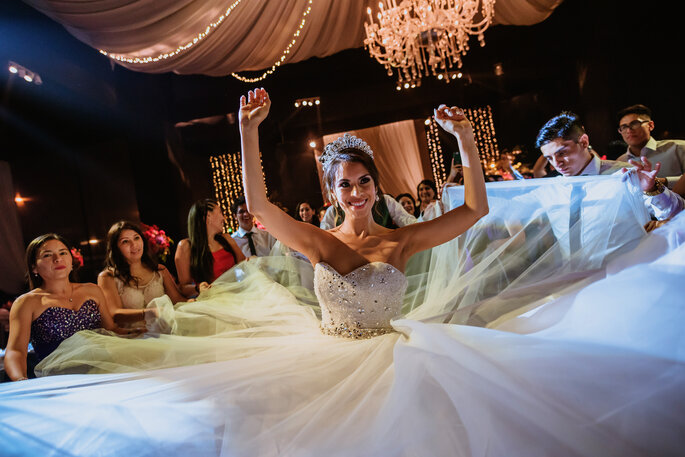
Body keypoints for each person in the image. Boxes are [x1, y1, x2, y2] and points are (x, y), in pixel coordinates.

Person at [3, 93, 685, 456]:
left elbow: (475, 207)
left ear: (371, 182)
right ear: (332, 189)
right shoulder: (318, 241)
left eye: (363, 179)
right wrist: (246, 130)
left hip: (401, 356)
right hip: (327, 363)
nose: (356, 189)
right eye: (345, 181)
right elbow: (262, 204)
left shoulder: (400, 238)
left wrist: (466, 143)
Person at [3, 234, 130, 381]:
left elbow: (111, 330)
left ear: (71, 260)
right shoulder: (26, 303)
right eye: (47, 255)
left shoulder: (92, 290)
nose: (58, 259)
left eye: (63, 252)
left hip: (106, 369)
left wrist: (140, 333)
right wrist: (20, 380)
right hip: (60, 378)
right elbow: (15, 351)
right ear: (34, 268)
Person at [535, 111, 683, 221]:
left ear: (584, 142)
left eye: (562, 153)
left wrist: (653, 190)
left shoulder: (622, 174)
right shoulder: (554, 187)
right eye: (549, 158)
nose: (556, 163)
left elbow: (674, 214)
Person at [98, 221, 185, 327]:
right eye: (125, 242)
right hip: (132, 336)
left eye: (136, 238)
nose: (134, 245)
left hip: (165, 329)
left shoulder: (160, 270)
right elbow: (114, 313)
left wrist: (198, 297)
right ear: (116, 248)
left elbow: (178, 301)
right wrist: (149, 313)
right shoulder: (107, 276)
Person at [175, 198, 245, 297]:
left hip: (236, 294)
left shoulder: (226, 239)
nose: (223, 218)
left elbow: (244, 264)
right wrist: (198, 288)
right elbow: (183, 288)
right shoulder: (185, 246)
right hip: (211, 300)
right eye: (220, 213)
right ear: (208, 217)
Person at [615, 104, 685, 187]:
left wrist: (661, 182)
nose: (629, 130)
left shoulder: (678, 148)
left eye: (635, 124)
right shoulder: (619, 162)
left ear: (650, 125)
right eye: (624, 127)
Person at [319, 191, 416, 229]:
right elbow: (323, 240)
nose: (356, 192)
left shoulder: (385, 201)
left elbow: (410, 224)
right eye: (345, 184)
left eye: (364, 180)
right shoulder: (333, 212)